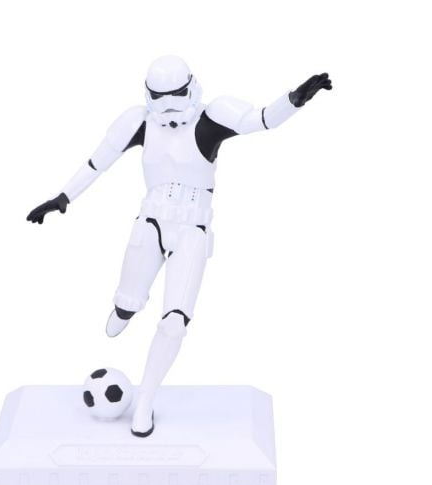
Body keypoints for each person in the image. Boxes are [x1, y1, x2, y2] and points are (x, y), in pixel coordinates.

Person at [27, 55, 332, 436]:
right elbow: (98, 162)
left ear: (191, 88)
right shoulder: (139, 121)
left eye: (176, 95)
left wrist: (294, 100)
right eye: (161, 97)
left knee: (174, 323)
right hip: (150, 222)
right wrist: (63, 198)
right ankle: (125, 310)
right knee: (125, 304)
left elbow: (262, 119)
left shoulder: (212, 118)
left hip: (192, 230)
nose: (169, 107)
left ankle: (146, 400)